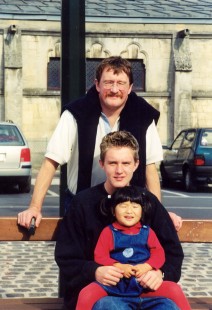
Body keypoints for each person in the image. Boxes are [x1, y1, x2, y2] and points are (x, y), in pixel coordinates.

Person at [17, 56, 182, 231]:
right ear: (97, 85)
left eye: (121, 83)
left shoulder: (143, 115)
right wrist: (35, 207)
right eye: (108, 82)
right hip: (82, 206)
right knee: (80, 257)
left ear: (130, 88)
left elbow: (150, 168)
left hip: (129, 208)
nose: (114, 89)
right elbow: (51, 162)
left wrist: (159, 214)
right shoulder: (75, 114)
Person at [55, 131, 184, 309]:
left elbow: (173, 252)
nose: (119, 170)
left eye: (126, 163)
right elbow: (66, 256)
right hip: (106, 291)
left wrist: (160, 274)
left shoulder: (149, 202)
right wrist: (95, 271)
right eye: (112, 163)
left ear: (136, 164)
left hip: (146, 292)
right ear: (102, 164)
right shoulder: (83, 203)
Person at [76, 186, 190, 310]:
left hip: (143, 284)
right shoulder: (108, 232)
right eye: (123, 206)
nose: (129, 211)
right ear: (113, 211)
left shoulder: (148, 232)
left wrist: (148, 266)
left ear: (142, 211)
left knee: (174, 289)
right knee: (87, 293)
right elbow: (100, 255)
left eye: (135, 206)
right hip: (116, 284)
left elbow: (159, 253)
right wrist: (119, 266)